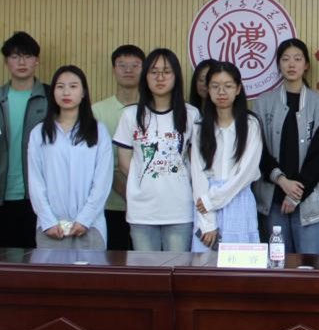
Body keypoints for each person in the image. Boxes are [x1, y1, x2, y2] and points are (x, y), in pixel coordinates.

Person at [113, 48, 197, 252]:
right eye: (154, 72)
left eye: (167, 72)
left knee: (177, 267)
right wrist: (145, 183)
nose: (160, 78)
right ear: (145, 77)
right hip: (142, 210)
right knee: (144, 269)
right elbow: (123, 162)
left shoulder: (191, 114)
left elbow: (197, 164)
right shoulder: (130, 115)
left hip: (179, 209)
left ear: (176, 76)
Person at [254, 39, 319, 254]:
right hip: (272, 200)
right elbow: (258, 150)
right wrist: (281, 180)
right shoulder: (263, 103)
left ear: (306, 65)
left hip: (310, 201)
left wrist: (295, 194)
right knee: (277, 266)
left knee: (310, 267)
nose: (291, 64)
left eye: (297, 59)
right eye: (285, 59)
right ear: (278, 64)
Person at [27, 65, 113, 250]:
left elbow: (103, 181)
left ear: (83, 93)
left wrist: (85, 219)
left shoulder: (99, 131)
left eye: (73, 86)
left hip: (90, 226)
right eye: (60, 86)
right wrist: (48, 220)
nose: (66, 92)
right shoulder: (39, 133)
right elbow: (35, 180)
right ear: (53, 92)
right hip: (51, 228)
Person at [190, 62, 263, 251]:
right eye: (215, 86)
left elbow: (246, 174)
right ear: (208, 89)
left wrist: (212, 201)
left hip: (238, 201)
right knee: (204, 264)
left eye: (228, 86)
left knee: (240, 264)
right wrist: (208, 222)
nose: (221, 92)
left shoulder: (251, 125)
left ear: (238, 89)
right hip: (205, 204)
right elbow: (198, 176)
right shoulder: (199, 127)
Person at [0, 31, 49, 249]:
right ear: (6, 62)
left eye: (27, 56)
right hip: (1, 194)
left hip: (42, 195)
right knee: (4, 258)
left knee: (41, 258)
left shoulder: (51, 97)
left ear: (37, 60)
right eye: (15, 57)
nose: (22, 62)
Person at [91, 44, 145, 250]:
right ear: (114, 70)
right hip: (111, 203)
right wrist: (125, 192)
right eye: (122, 65)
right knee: (115, 260)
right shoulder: (97, 111)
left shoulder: (153, 109)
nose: (128, 70)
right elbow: (97, 162)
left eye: (135, 65)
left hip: (149, 205)